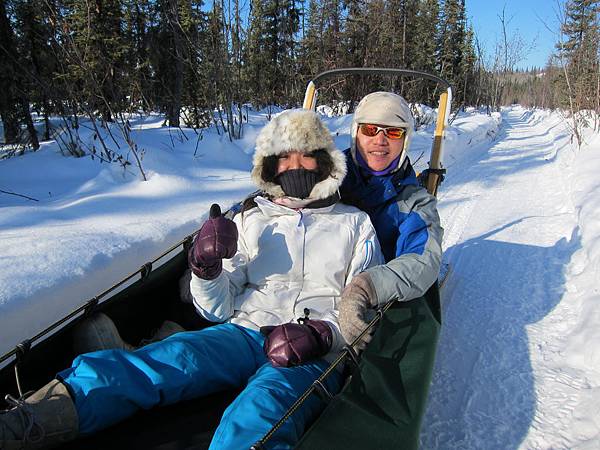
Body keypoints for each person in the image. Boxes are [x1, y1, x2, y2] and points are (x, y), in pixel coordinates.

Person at [0, 109, 383, 450]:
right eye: (285, 157)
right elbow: (217, 308)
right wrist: (206, 268)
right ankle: (36, 417)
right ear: (270, 165)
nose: (295, 166)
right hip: (245, 332)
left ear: (323, 162)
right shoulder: (252, 217)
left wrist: (321, 334)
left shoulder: (354, 224)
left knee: (259, 410)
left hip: (311, 349)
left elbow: (364, 307)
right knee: (164, 359)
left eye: (305, 155)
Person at [337, 91, 443, 348]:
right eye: (370, 129)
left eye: (393, 132)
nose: (380, 140)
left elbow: (422, 260)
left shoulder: (415, 202)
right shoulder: (325, 178)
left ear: (405, 140)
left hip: (373, 295)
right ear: (356, 134)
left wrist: (366, 286)